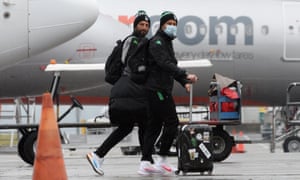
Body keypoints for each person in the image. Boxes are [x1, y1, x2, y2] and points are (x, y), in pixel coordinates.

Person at [86, 10, 151, 176]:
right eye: (141, 24)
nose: (144, 28)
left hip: (127, 90)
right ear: (135, 26)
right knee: (145, 122)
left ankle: (98, 155)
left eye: (146, 25)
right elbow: (128, 64)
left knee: (128, 127)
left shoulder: (139, 41)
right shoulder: (133, 41)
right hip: (130, 90)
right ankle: (146, 161)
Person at [138, 11, 198, 175]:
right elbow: (165, 64)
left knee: (155, 126)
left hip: (157, 89)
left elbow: (169, 67)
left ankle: (145, 162)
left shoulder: (165, 42)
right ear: (162, 25)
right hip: (157, 90)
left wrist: (183, 82)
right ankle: (162, 159)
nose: (172, 27)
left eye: (174, 24)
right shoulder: (157, 42)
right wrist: (185, 75)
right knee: (172, 122)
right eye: (169, 23)